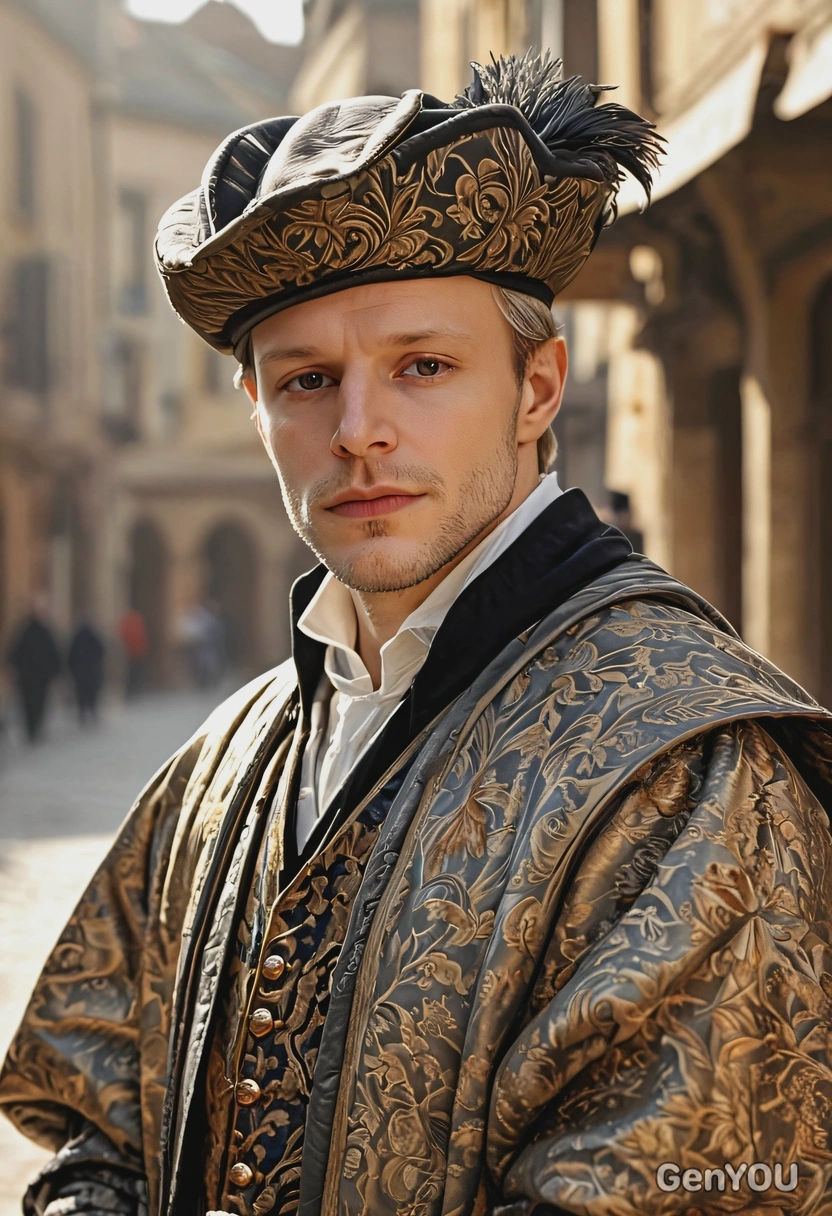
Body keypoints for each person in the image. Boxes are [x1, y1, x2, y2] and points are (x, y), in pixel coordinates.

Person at [2, 53, 832, 1216]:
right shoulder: (226, 758)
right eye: (304, 381)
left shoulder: (688, 767)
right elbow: (105, 1128)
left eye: (422, 367)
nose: (358, 432)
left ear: (536, 387)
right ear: (256, 409)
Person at [5, 601, 61, 742]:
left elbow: (13, 651)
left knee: (27, 703)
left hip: (27, 676)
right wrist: (55, 671)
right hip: (40, 676)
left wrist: (11, 666)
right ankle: (36, 726)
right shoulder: (44, 631)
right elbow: (54, 652)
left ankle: (31, 728)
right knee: (39, 702)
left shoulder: (23, 631)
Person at [67, 622, 106, 723]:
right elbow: (101, 652)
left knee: (81, 693)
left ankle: (83, 712)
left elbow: (71, 656)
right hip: (91, 671)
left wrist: (73, 669)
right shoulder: (93, 638)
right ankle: (92, 710)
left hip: (80, 672)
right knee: (92, 692)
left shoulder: (77, 639)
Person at [118, 606, 149, 697]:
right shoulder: (137, 624)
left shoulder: (127, 625)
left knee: (132, 673)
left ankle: (134, 688)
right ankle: (136, 688)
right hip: (136, 654)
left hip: (131, 654)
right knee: (135, 673)